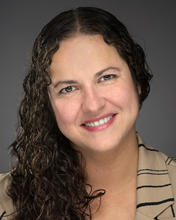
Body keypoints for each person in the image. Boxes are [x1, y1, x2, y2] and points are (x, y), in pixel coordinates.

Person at [0, 6, 176, 220]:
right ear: (47, 104)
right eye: (68, 88)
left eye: (107, 77)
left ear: (137, 80)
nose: (93, 105)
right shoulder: (5, 201)